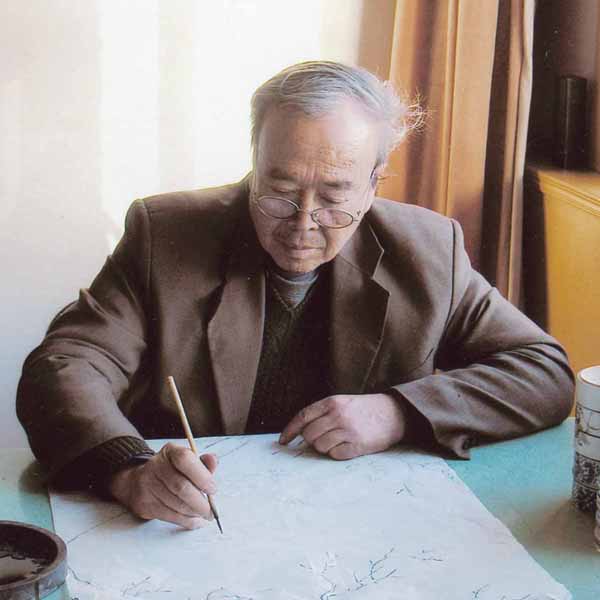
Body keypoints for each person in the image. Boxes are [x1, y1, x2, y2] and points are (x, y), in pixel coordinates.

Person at [17, 61, 574, 530]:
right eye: (280, 190)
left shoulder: (427, 249)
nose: (303, 224)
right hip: (188, 528)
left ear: (374, 182)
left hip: (354, 529)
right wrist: (127, 470)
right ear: (254, 162)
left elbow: (541, 369)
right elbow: (65, 366)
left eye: (334, 196)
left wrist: (399, 412)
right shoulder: (166, 235)